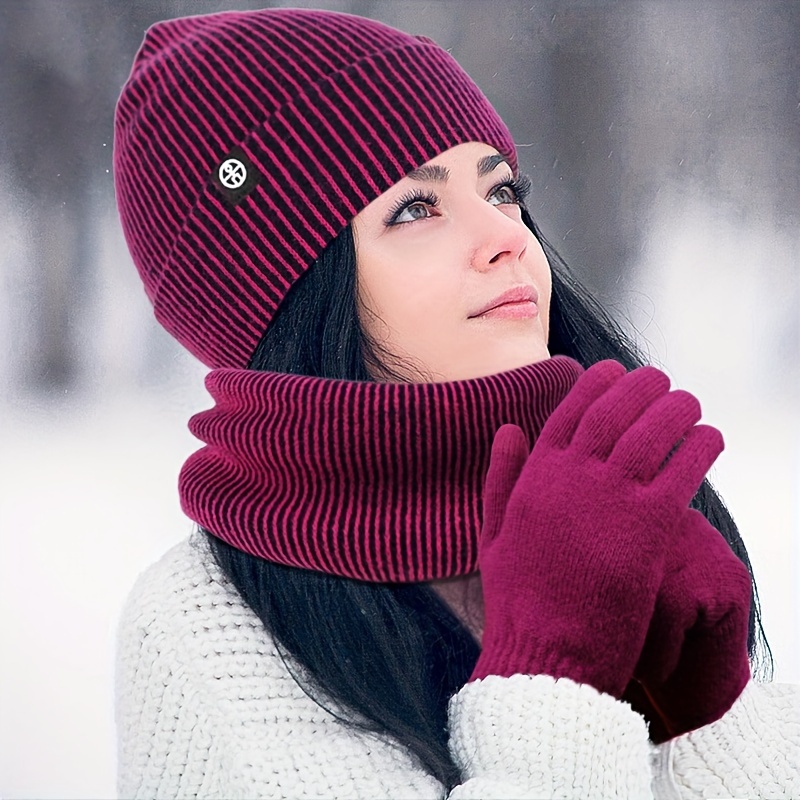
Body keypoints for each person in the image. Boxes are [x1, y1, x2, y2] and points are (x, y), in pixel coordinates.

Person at [113, 8, 798, 799]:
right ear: (296, 297)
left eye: (501, 189)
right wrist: (554, 677)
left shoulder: (619, 503)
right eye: (415, 209)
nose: (509, 237)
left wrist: (706, 726)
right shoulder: (201, 633)